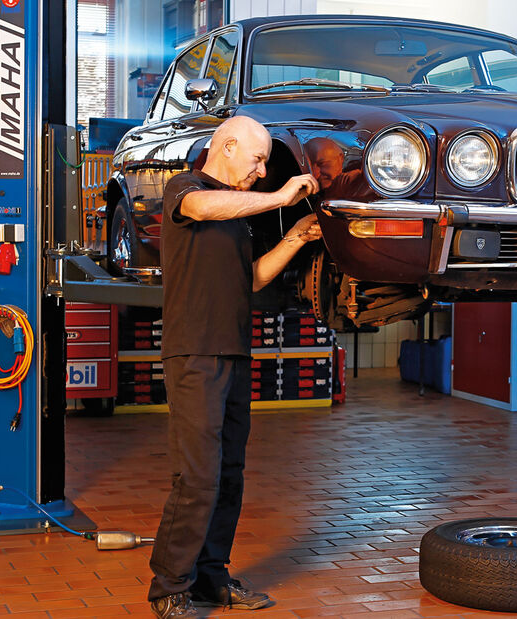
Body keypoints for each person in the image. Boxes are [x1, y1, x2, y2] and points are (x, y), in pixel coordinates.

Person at [149, 115, 320, 619]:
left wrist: (295, 238)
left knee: (228, 474)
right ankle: (169, 588)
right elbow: (202, 207)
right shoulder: (188, 188)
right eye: (258, 158)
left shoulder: (239, 216)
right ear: (226, 146)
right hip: (194, 353)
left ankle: (211, 579)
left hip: (234, 351)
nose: (263, 171)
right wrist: (280, 198)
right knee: (197, 475)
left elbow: (249, 279)